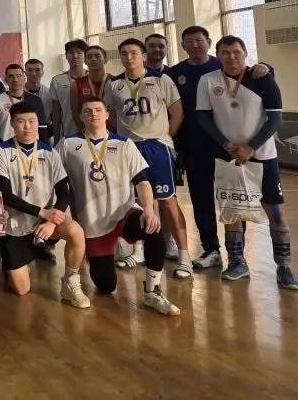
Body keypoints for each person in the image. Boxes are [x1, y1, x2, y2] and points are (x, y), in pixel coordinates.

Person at [58, 99, 180, 316]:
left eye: (98, 110)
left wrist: (149, 210)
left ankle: (152, 292)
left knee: (153, 229)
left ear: (107, 115)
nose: (93, 114)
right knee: (106, 285)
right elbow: (55, 179)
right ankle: (80, 278)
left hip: (124, 213)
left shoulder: (124, 144)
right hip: (93, 223)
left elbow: (142, 180)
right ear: (81, 116)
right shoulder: (67, 144)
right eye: (87, 111)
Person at [166, 25, 271, 269]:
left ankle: (237, 254)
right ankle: (211, 249)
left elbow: (254, 73)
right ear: (182, 46)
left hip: (228, 148)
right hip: (194, 148)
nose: (195, 45)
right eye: (189, 41)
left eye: (199, 40)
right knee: (201, 200)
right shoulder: (175, 73)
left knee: (234, 199)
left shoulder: (222, 66)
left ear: (209, 42)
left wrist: (267, 67)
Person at [196, 35, 295, 288]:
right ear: (218, 55)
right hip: (227, 156)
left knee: (275, 210)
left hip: (262, 156)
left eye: (236, 52)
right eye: (225, 52)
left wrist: (251, 147)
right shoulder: (207, 80)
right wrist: (226, 144)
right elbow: (203, 118)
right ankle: (237, 262)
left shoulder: (263, 78)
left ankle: (284, 266)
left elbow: (275, 118)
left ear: (245, 53)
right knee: (232, 210)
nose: (231, 57)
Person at [103, 38, 191, 279]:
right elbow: (110, 116)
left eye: (133, 52)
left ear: (143, 56)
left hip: (157, 147)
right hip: (129, 148)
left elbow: (177, 113)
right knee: (136, 202)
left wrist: (164, 138)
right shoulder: (114, 84)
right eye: (124, 53)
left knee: (167, 202)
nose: (128, 57)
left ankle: (184, 256)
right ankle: (139, 249)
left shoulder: (161, 80)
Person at [0, 103, 89, 308]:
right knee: (21, 289)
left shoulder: (49, 151)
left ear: (39, 124)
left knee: (76, 231)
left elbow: (65, 192)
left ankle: (70, 282)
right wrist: (42, 212)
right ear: (12, 124)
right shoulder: (0, 151)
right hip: (14, 225)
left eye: (32, 121)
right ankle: (13, 263)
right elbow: (5, 195)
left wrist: (52, 221)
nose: (27, 127)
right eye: (21, 121)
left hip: (43, 223)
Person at [0, 64, 49, 143]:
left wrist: (45, 148)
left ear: (24, 78)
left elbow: (42, 129)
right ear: (6, 80)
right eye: (11, 76)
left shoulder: (36, 100)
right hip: (7, 147)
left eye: (18, 75)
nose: (15, 80)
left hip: (32, 146)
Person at [49, 39, 89, 141]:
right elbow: (56, 113)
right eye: (71, 53)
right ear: (66, 56)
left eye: (79, 53)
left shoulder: (93, 78)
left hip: (93, 131)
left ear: (85, 55)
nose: (75, 56)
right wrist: (57, 139)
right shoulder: (57, 80)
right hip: (69, 133)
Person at [70, 45, 110, 130]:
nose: (93, 59)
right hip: (87, 133)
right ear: (85, 61)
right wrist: (86, 132)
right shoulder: (76, 85)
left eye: (98, 56)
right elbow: (75, 113)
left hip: (112, 132)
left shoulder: (115, 82)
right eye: (89, 57)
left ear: (105, 59)